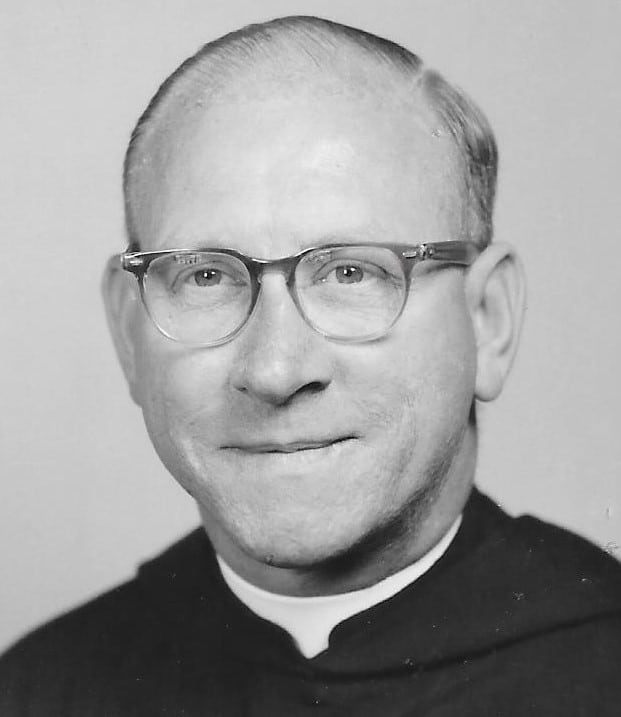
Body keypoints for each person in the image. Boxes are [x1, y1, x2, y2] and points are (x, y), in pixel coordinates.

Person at [1, 15, 620, 716]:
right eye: (206, 276)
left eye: (352, 272)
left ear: (488, 320)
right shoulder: (35, 692)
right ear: (128, 332)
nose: (275, 369)